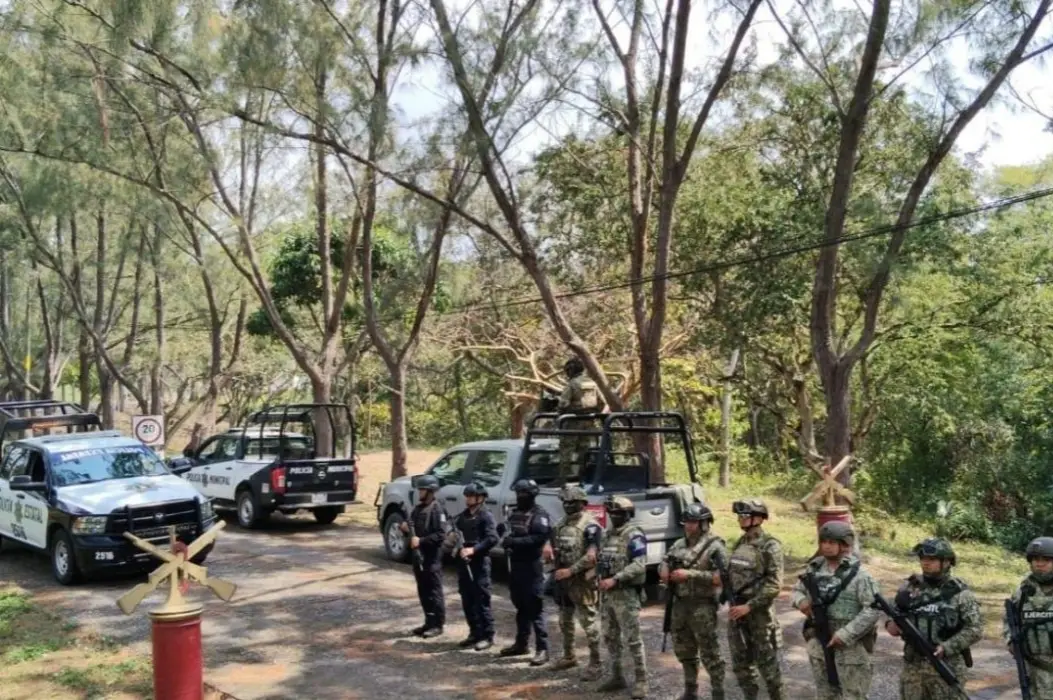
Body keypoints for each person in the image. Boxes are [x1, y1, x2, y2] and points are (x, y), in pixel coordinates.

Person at [885, 537, 983, 700]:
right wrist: (896, 618)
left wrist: (946, 647)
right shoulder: (910, 589)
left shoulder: (959, 593)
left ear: (946, 562)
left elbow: (975, 629)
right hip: (914, 668)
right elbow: (892, 628)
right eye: (922, 558)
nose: (925, 563)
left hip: (946, 667)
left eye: (931, 559)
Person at [790, 522, 879, 700]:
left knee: (854, 695)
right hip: (819, 641)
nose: (826, 546)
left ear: (845, 544)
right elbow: (797, 591)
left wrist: (845, 634)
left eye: (832, 542)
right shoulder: (814, 569)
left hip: (850, 646)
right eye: (823, 541)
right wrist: (801, 602)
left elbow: (872, 610)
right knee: (825, 694)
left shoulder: (859, 576)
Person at [660, 503, 728, 700]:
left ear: (704, 523)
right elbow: (666, 560)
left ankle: (718, 693)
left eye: (693, 522)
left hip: (702, 606)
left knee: (710, 653)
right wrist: (663, 568)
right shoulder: (679, 544)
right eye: (686, 522)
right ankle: (691, 690)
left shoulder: (715, 546)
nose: (688, 526)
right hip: (680, 604)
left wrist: (690, 574)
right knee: (685, 650)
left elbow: (722, 577)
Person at [727, 498, 786, 700]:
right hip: (737, 610)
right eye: (739, 516)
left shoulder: (770, 545)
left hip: (759, 615)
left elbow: (774, 585)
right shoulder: (741, 542)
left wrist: (749, 606)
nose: (740, 519)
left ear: (759, 519)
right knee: (741, 665)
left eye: (745, 515)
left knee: (768, 667)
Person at [549, 483, 604, 678]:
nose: (567, 505)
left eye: (572, 502)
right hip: (563, 579)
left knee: (589, 623)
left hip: (582, 581)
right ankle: (569, 656)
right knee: (565, 620)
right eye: (565, 502)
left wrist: (571, 571)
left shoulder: (590, 526)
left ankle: (596, 663)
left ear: (582, 503)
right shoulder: (561, 524)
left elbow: (592, 557)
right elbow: (555, 545)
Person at [597, 495, 649, 698]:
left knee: (633, 639)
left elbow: (639, 564)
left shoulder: (634, 535)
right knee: (610, 637)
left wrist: (616, 579)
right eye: (611, 513)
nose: (613, 516)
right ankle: (617, 676)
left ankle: (642, 680)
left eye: (618, 513)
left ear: (627, 514)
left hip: (626, 594)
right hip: (608, 595)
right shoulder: (607, 535)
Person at [498, 478, 553, 665]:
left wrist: (514, 542)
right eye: (518, 493)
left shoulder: (539, 515)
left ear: (531, 495)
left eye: (522, 494)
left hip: (532, 566)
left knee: (535, 608)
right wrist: (504, 535)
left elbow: (539, 538)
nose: (519, 497)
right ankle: (521, 644)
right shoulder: (514, 513)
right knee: (520, 606)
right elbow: (507, 533)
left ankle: (542, 649)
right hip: (515, 565)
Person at [447, 482, 499, 650]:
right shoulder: (462, 516)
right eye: (467, 496)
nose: (467, 499)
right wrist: (452, 539)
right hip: (463, 562)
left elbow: (492, 538)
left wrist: (474, 549)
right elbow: (453, 533)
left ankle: (487, 635)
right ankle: (474, 632)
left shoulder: (486, 516)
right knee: (467, 599)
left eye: (471, 496)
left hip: (479, 562)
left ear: (480, 498)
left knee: (481, 600)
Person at [400, 474, 449, 637]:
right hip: (418, 556)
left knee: (434, 591)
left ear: (430, 491)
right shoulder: (418, 509)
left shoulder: (437, 509)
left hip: (431, 557)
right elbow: (412, 527)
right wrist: (405, 528)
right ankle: (428, 621)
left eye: (422, 490)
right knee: (423, 590)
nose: (419, 492)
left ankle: (438, 624)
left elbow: (441, 535)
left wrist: (421, 541)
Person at [1004, 536, 1053, 699]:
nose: (1040, 564)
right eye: (1036, 559)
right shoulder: (1023, 592)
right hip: (1032, 670)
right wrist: (1010, 640)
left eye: (1046, 560)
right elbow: (1010, 621)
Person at [556, 356, 599, 478]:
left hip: (572, 421)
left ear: (570, 370)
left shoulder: (572, 384)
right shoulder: (591, 383)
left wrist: (560, 414)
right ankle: (583, 477)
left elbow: (563, 404)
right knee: (584, 449)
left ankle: (562, 478)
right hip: (588, 421)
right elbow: (599, 402)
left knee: (566, 449)